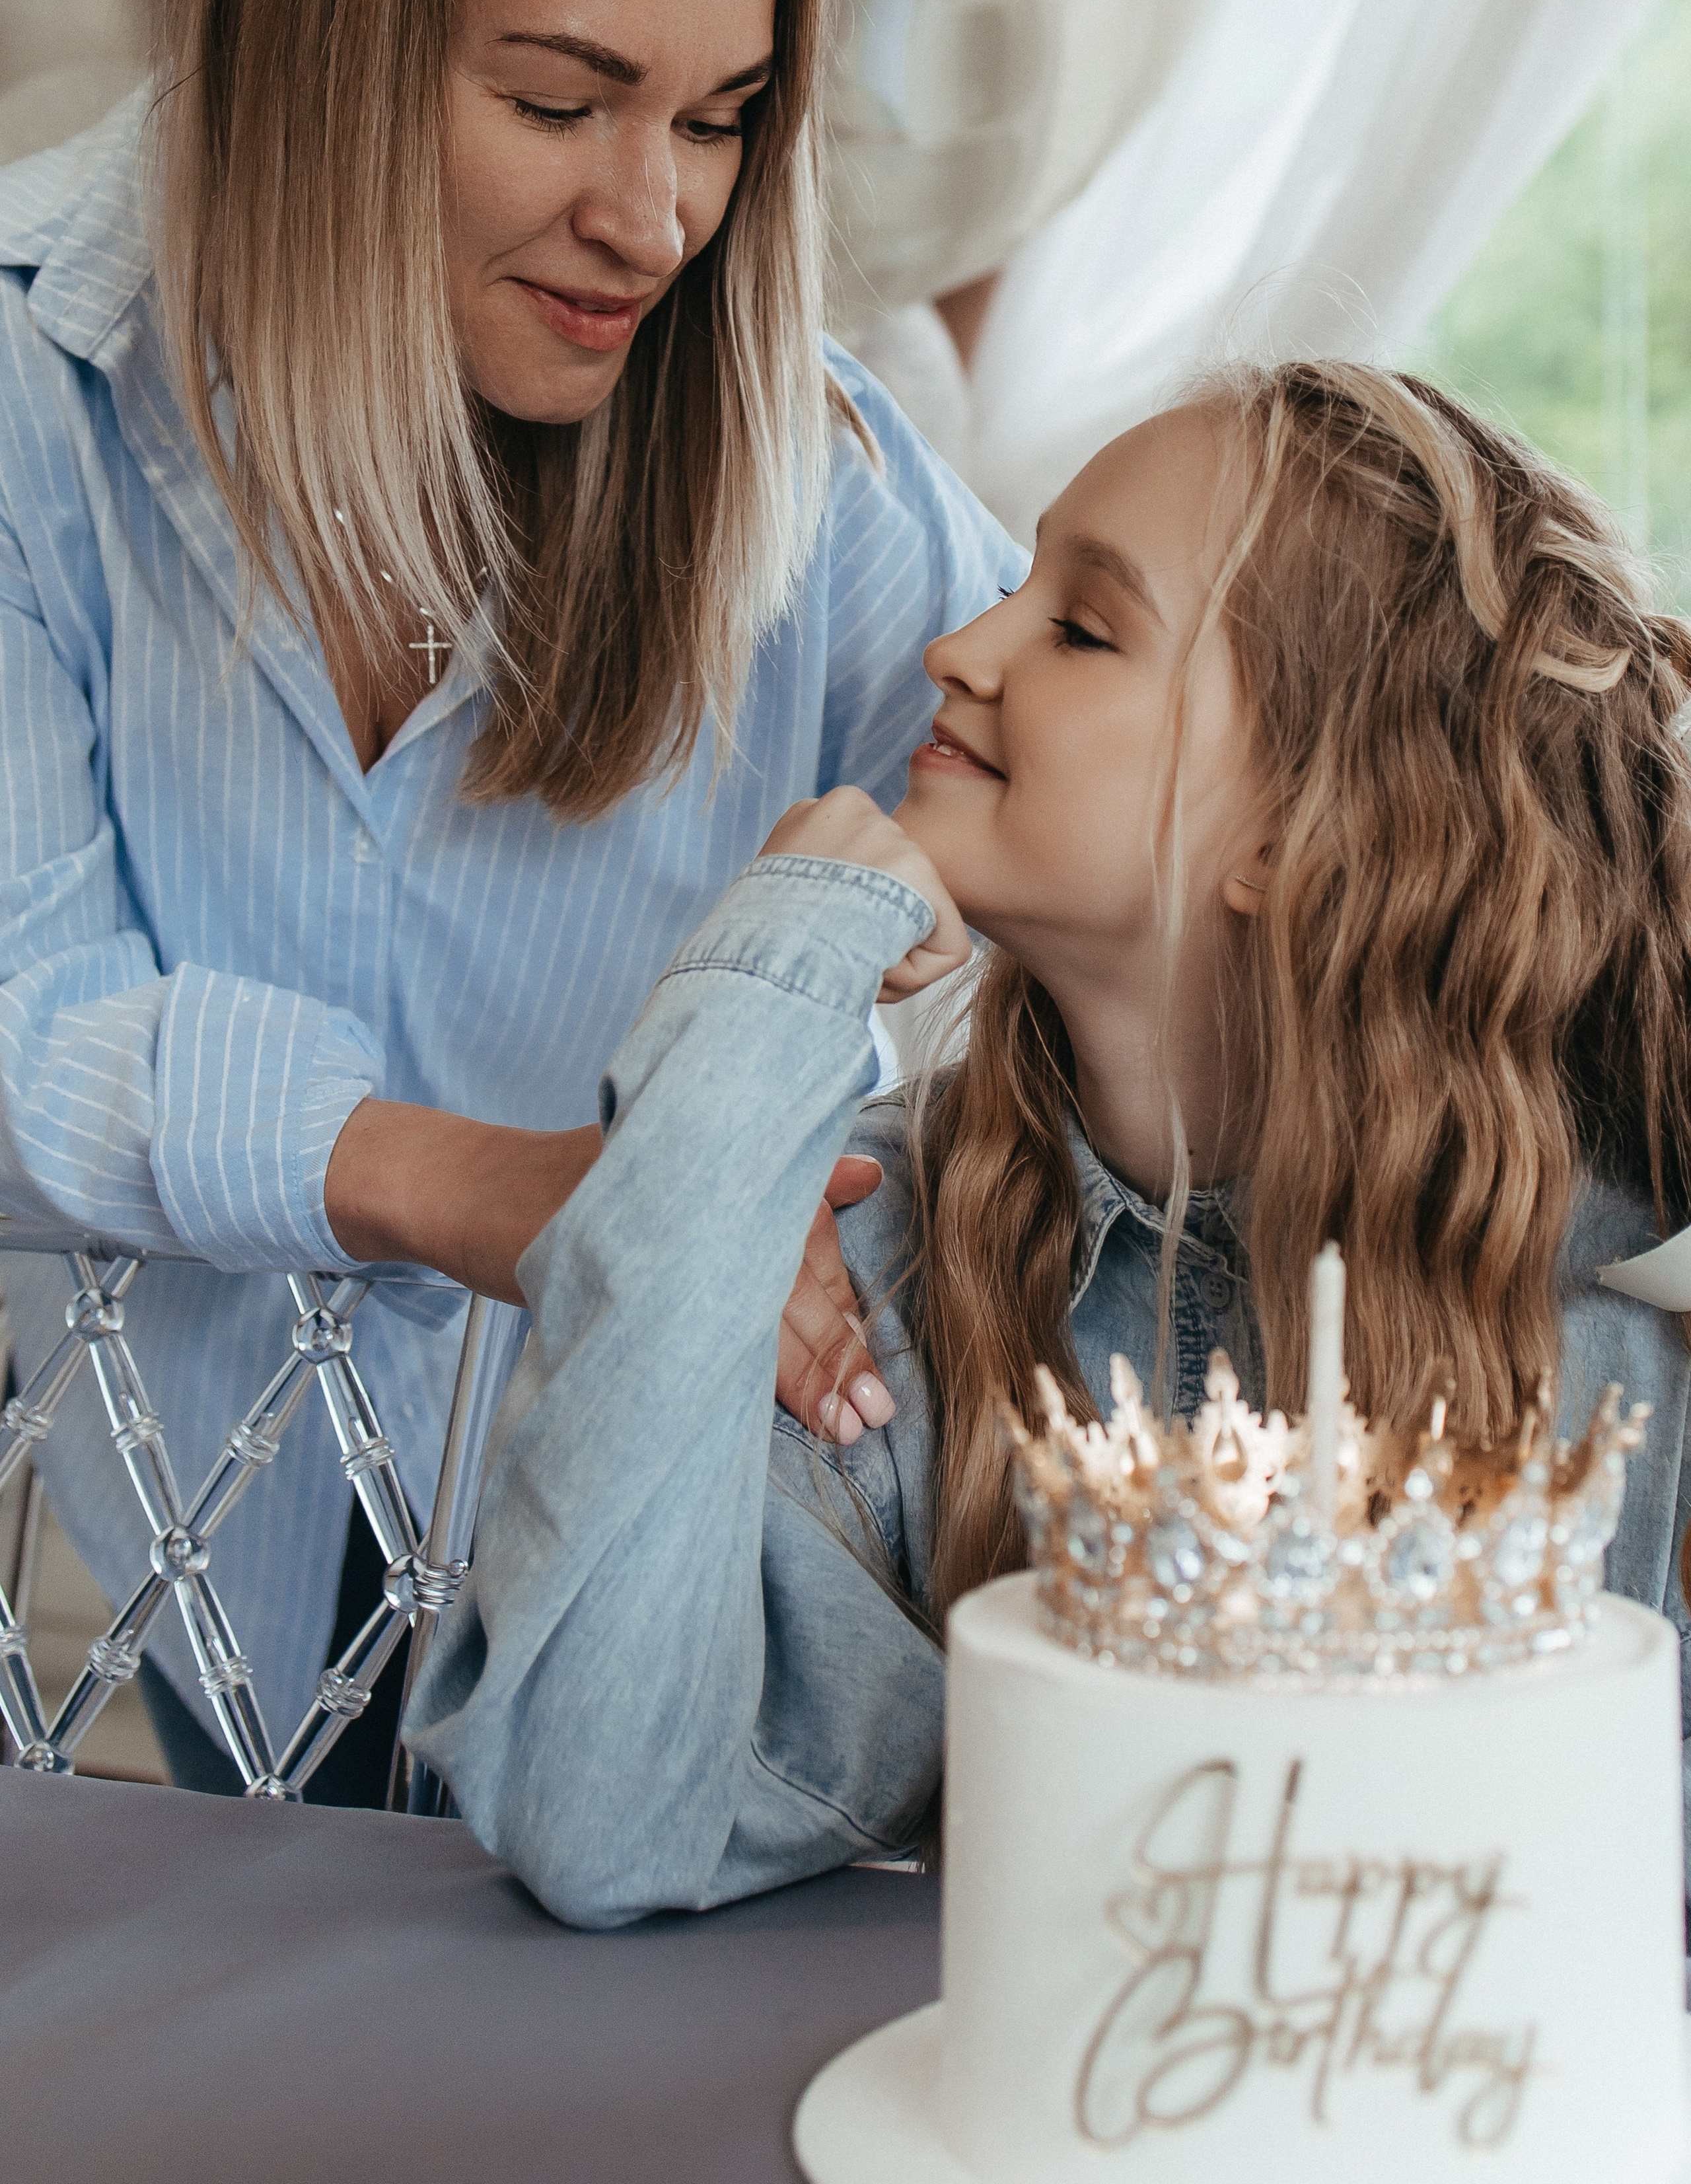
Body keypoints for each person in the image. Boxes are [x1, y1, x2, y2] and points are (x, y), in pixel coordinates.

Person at [0, 0, 1019, 1799]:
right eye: (561, 102)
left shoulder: (804, 472)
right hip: (189, 1617)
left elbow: (1097, 753)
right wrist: (504, 1195)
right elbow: (17, 1019)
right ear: (315, 51)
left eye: (720, 120)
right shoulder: (31, 402)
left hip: (692, 1614)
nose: (655, 218)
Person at [407, 359, 1691, 1926]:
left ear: (1303, 833)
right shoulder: (874, 1265)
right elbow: (596, 1811)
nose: (954, 649)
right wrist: (770, 978)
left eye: (1081, 628)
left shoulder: (1640, 1311)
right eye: (1015, 587)